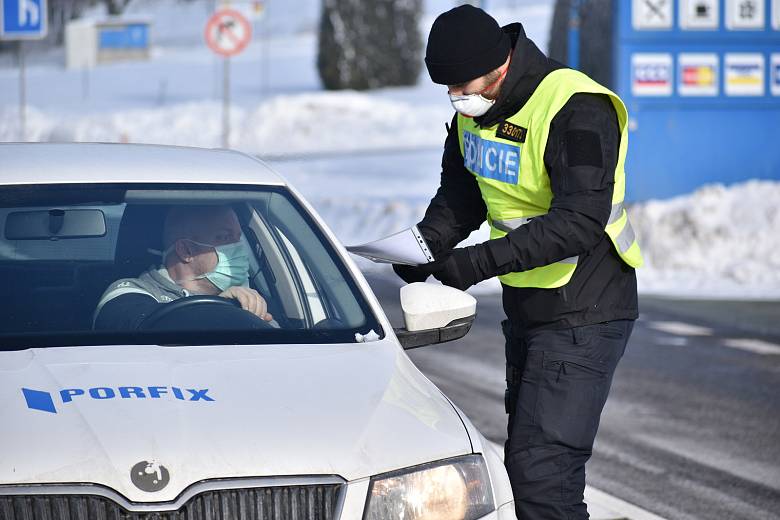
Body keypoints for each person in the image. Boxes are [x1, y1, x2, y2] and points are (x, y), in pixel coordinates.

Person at [392, 6, 643, 519]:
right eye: (446, 87)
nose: (455, 96)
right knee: (532, 469)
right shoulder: (475, 112)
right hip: (530, 304)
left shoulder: (576, 106)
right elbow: (462, 195)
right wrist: (426, 248)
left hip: (587, 308)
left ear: (500, 66)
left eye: (463, 84)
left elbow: (579, 221)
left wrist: (472, 265)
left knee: (543, 475)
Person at [94, 205, 273, 330]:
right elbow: (139, 325)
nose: (237, 246)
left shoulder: (249, 298)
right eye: (224, 237)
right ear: (187, 250)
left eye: (238, 238)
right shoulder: (131, 289)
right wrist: (223, 309)